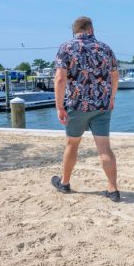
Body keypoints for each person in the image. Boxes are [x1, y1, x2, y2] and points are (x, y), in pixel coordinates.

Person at [51, 16, 120, 201]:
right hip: (102, 106)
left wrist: (59, 107)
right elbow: (115, 76)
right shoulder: (105, 48)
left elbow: (60, 79)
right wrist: (111, 98)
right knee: (105, 148)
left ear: (74, 31)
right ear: (91, 29)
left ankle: (64, 183)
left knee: (72, 144)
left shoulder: (66, 48)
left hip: (77, 105)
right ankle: (113, 189)